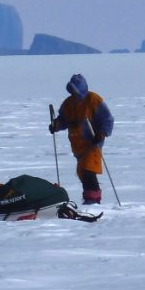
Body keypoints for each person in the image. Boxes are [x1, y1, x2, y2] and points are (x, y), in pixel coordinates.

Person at [49, 74, 114, 205]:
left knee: (88, 169)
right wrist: (56, 125)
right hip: (77, 144)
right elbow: (63, 120)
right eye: (71, 89)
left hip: (93, 142)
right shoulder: (68, 103)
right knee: (83, 172)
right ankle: (89, 197)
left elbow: (107, 118)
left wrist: (102, 133)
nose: (73, 92)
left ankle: (93, 200)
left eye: (75, 89)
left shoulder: (93, 99)